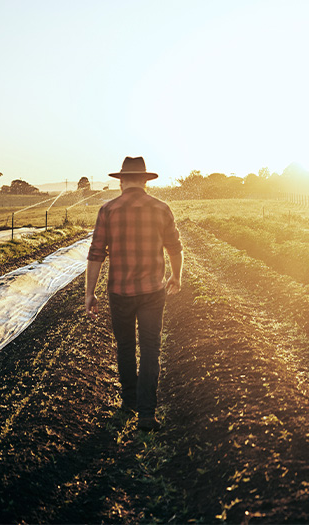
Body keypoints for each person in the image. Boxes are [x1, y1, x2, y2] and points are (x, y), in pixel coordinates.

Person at [85, 156, 182, 432]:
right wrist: (177, 276)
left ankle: (128, 404)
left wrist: (89, 294)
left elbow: (95, 255)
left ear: (121, 182)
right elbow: (175, 248)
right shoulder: (161, 209)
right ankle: (147, 414)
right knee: (150, 348)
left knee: (126, 347)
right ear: (145, 181)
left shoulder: (108, 210)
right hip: (153, 290)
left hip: (119, 291)